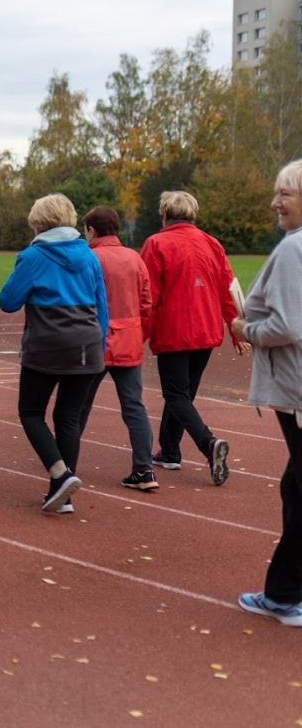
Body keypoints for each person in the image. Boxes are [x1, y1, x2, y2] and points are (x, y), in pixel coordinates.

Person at [0, 194, 108, 514]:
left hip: (47, 344)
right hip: (88, 346)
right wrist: (97, 349)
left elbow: (8, 301)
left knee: (31, 412)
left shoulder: (33, 256)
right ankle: (63, 496)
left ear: (38, 222)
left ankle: (60, 475)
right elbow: (102, 307)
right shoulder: (89, 256)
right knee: (68, 419)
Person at [233, 161, 302, 626]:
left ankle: (283, 596)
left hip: (297, 390)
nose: (275, 202)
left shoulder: (295, 249)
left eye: (285, 194)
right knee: (294, 485)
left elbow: (287, 326)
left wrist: (244, 327)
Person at [141, 190, 240, 486]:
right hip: (207, 329)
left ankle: (208, 444)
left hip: (175, 330)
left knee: (176, 395)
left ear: (165, 215)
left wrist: (140, 334)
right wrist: (235, 328)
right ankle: (170, 450)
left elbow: (149, 296)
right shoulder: (212, 243)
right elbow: (228, 288)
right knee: (185, 394)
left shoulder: (156, 243)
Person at [77, 206, 158, 492]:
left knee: (78, 405)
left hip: (95, 340)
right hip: (128, 340)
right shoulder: (134, 259)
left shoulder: (88, 257)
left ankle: (63, 460)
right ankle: (144, 468)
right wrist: (136, 331)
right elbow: (147, 303)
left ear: (91, 230)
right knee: (134, 406)